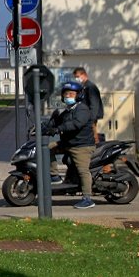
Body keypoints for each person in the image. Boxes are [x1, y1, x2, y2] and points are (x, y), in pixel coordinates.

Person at [47, 80, 96, 209]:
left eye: (71, 94)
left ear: (78, 95)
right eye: (65, 94)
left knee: (83, 170)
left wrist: (58, 129)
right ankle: (54, 176)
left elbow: (76, 124)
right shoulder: (68, 110)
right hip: (69, 143)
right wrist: (45, 127)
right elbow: (57, 122)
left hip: (81, 145)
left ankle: (87, 198)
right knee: (48, 148)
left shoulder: (82, 109)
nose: (67, 96)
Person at [73, 67, 104, 145]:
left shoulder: (90, 87)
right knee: (89, 136)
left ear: (84, 75)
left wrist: (91, 118)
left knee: (93, 136)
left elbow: (94, 104)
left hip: (90, 117)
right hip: (85, 116)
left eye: (78, 76)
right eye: (75, 77)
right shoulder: (84, 87)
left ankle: (96, 149)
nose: (77, 79)